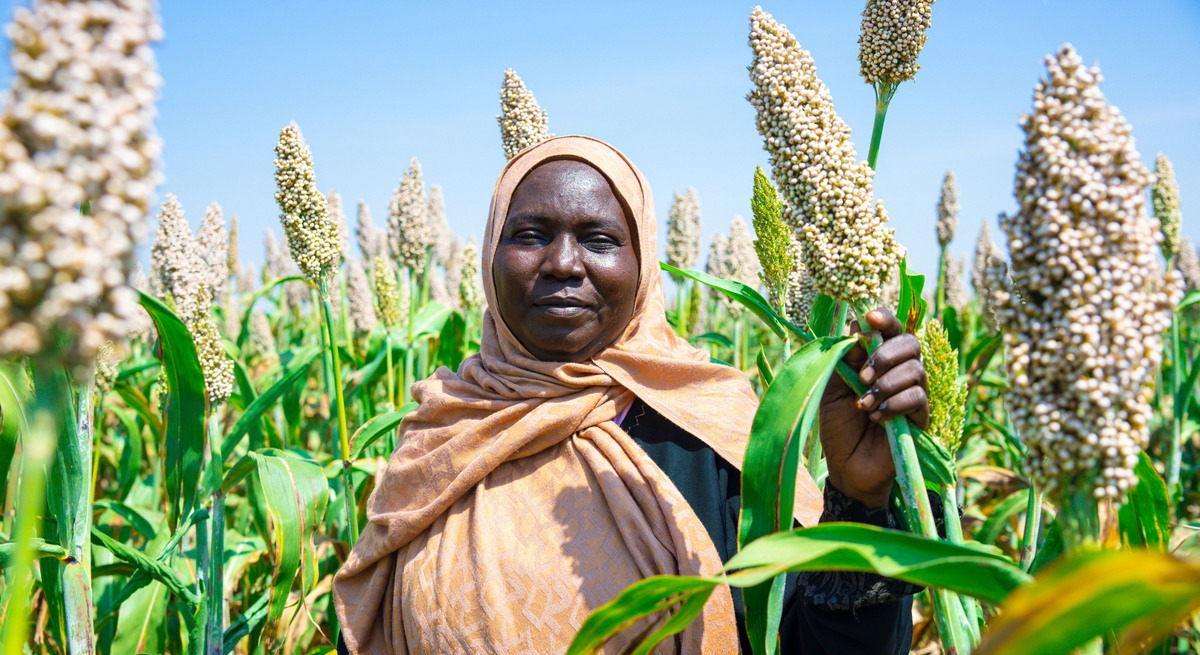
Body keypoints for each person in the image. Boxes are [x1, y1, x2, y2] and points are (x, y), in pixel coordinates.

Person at [334, 136, 931, 654]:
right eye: (531, 234)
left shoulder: (714, 432)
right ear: (491, 256)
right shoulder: (442, 433)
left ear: (643, 266)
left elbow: (813, 645)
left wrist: (859, 502)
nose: (563, 264)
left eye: (598, 239)